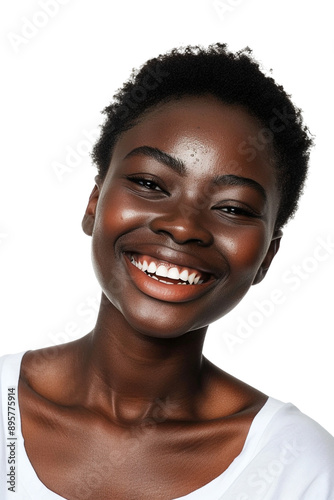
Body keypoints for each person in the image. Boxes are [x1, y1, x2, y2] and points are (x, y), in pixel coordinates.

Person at [1, 43, 333, 500]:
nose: (182, 226)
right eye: (149, 183)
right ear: (94, 204)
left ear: (268, 257)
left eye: (233, 208)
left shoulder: (299, 469)